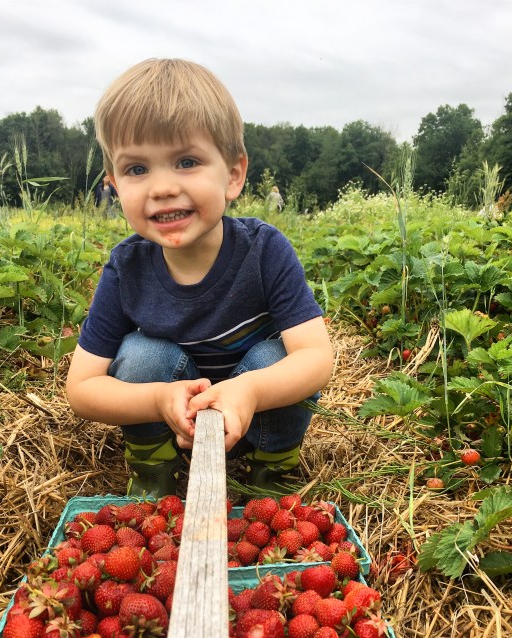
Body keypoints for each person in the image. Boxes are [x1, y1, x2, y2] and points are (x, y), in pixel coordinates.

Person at [66, 59, 333, 499]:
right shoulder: (126, 267)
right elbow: (82, 388)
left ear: (232, 175)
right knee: (138, 355)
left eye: (186, 161)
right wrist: (157, 400)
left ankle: (271, 470)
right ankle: (154, 471)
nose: (162, 187)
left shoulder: (264, 250)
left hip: (255, 414)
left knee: (275, 356)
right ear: (113, 184)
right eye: (137, 169)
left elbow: (317, 358)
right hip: (173, 421)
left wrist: (248, 391)